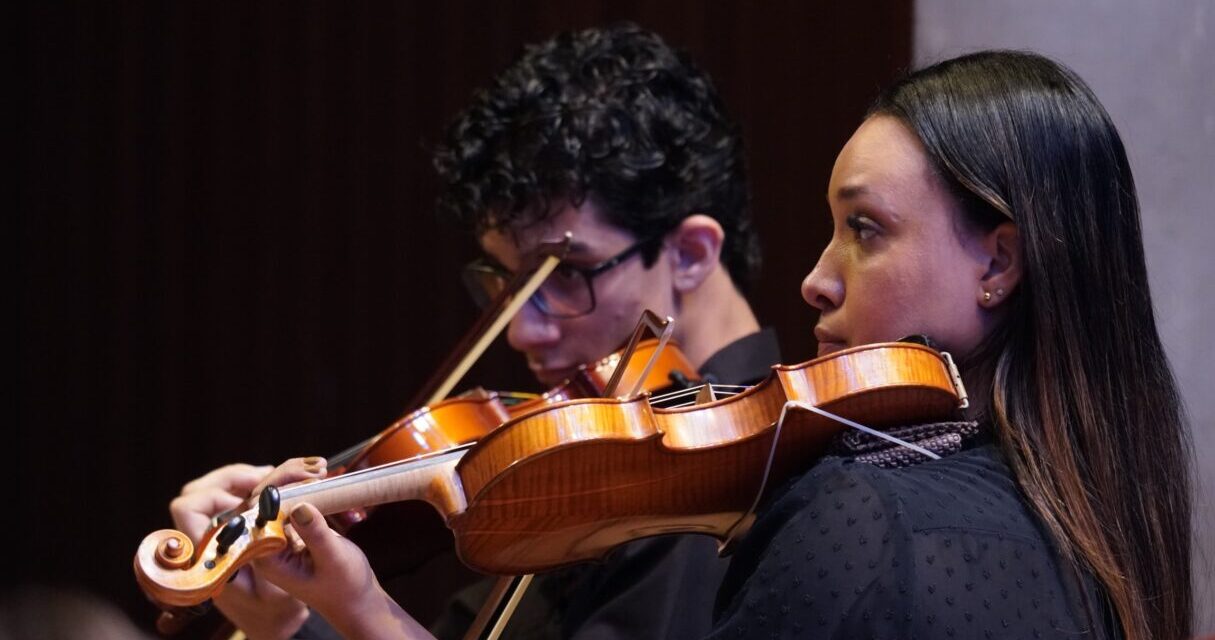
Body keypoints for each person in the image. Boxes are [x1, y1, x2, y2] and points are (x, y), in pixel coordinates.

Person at [249, 50, 1194, 640]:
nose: (816, 280)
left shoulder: (850, 508)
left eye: (864, 230)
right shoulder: (1098, 532)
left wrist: (343, 615)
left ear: (999, 263)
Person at [167, 23, 777, 640]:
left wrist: (347, 616)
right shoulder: (586, 467)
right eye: (508, 281)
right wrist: (289, 616)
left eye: (566, 273)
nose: (521, 331)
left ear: (693, 253)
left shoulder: (714, 484)